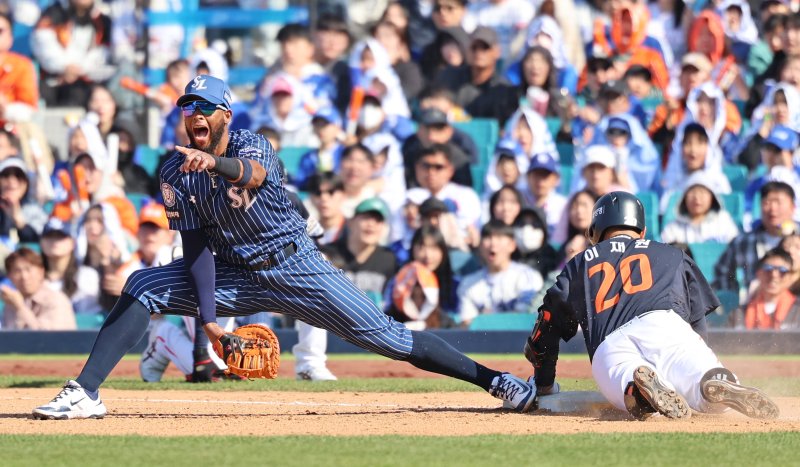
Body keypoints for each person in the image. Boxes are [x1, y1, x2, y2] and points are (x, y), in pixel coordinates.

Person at [31, 74, 536, 419]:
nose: (196, 115)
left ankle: (496, 382)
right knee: (143, 283)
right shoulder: (173, 171)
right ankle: (86, 392)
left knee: (392, 340)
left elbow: (250, 174)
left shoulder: (253, 144)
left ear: (225, 114)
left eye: (205, 107)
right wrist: (207, 319)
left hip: (298, 267)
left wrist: (214, 165)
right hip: (234, 274)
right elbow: (196, 245)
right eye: (189, 107)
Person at [523, 191, 780, 420]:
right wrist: (692, 354)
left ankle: (637, 387)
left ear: (594, 232)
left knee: (625, 378)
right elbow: (697, 322)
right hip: (666, 326)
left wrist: (543, 384)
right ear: (642, 231)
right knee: (701, 381)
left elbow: (546, 324)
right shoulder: (672, 253)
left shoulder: (580, 263)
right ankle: (714, 379)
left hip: (610, 343)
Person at [714, 182, 800, 293]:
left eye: (778, 202)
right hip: (755, 305)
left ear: (793, 207)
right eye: (767, 202)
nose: (773, 208)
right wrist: (733, 298)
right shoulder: (743, 242)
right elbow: (723, 271)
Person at [456, 220, 543, 327]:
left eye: (499, 237)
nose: (493, 243)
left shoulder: (528, 276)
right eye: (488, 237)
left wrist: (486, 320)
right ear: (480, 246)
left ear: (512, 245)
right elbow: (466, 325)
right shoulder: (468, 283)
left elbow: (527, 318)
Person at [31, 0, 115, 106]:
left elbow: (103, 52)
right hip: (54, 78)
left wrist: (79, 69)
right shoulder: (52, 13)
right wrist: (64, 66)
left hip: (87, 78)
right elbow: (42, 42)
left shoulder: (103, 19)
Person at [1, 247, 76, 330]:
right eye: (17, 271)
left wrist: (20, 307)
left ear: (41, 272)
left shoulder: (56, 300)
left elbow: (47, 339)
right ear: (9, 277)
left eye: (28, 269)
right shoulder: (11, 304)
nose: (24, 277)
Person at [40, 218, 102, 314]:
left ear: (73, 243)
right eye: (50, 237)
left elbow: (89, 317)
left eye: (61, 237)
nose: (55, 242)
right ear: (41, 243)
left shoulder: (87, 275)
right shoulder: (33, 277)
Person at [660, 173, 739, 245]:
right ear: (684, 198)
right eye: (692, 192)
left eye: (702, 192)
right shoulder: (673, 228)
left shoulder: (723, 221)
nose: (697, 198)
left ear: (712, 197)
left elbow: (735, 244)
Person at [731, 247, 800, 330]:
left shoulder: (797, 311)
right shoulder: (740, 313)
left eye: (782, 271)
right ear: (758, 273)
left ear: (790, 276)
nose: (774, 275)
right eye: (768, 269)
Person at [0, 11, 38, 124]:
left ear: (10, 37)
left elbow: (29, 109)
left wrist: (5, 108)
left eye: (0, 31)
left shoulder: (22, 66)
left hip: (10, 129)